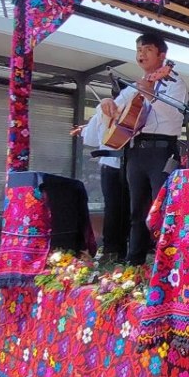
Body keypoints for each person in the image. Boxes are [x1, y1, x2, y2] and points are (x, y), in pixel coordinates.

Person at [99, 32, 188, 265]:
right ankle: (134, 262)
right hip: (135, 151)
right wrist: (106, 105)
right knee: (136, 211)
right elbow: (115, 110)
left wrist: (150, 93)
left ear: (162, 55)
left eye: (147, 49)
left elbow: (174, 114)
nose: (141, 54)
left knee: (164, 209)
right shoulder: (134, 86)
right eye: (138, 50)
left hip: (161, 151)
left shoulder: (174, 82)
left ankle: (167, 264)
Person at [74, 111, 130, 263]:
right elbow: (91, 137)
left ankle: (112, 250)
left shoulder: (103, 108)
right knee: (125, 208)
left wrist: (88, 129)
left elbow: (90, 138)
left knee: (113, 208)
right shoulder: (138, 104)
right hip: (127, 164)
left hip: (114, 164)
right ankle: (122, 249)